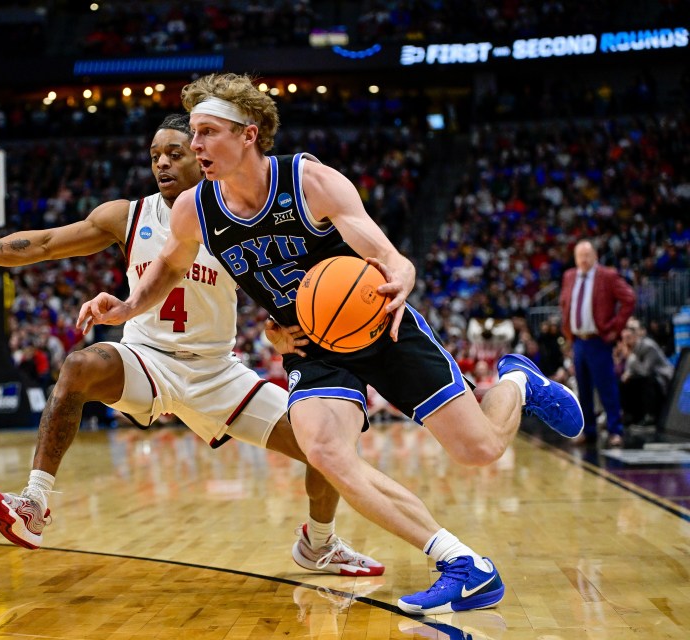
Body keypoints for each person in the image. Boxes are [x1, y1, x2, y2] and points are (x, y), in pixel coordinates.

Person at [78, 73, 585, 616]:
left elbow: (388, 255)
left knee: (478, 450)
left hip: (378, 324)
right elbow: (170, 268)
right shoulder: (194, 209)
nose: (194, 145)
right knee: (324, 451)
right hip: (310, 345)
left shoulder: (310, 181)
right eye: (193, 133)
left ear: (248, 134)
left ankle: (516, 381)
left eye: (207, 132)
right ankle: (463, 564)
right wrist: (128, 308)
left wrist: (400, 272)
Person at [0, 115, 383, 578]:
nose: (162, 163)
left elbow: (277, 304)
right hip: (146, 358)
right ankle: (34, 505)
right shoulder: (127, 215)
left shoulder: (239, 218)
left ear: (202, 160)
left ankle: (319, 544)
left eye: (174, 154)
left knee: (328, 444)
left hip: (217, 372)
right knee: (79, 366)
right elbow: (45, 243)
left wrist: (275, 334)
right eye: (155, 155)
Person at [558, 240, 635, 448]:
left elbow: (629, 298)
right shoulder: (569, 276)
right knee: (582, 389)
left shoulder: (607, 276)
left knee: (606, 387)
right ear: (575, 258)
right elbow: (565, 305)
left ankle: (615, 430)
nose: (583, 260)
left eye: (587, 255)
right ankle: (588, 430)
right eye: (579, 256)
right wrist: (568, 335)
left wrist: (615, 328)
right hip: (578, 341)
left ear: (595, 256)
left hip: (598, 339)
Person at [619, 319, 673, 428]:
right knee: (624, 381)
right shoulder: (631, 348)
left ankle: (650, 416)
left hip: (662, 379)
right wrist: (627, 374)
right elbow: (629, 370)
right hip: (648, 377)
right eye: (624, 339)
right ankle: (630, 415)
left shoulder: (649, 346)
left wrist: (630, 358)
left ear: (635, 336)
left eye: (628, 338)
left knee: (646, 380)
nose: (626, 341)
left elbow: (645, 371)